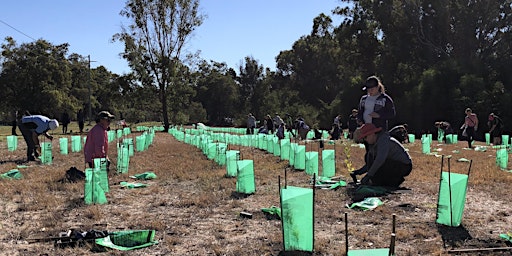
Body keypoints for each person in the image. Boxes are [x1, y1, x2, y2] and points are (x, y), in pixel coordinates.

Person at [350, 123, 413, 188]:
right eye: (364, 138)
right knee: (369, 158)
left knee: (378, 173)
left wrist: (369, 175)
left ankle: (395, 180)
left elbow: (379, 160)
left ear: (372, 134)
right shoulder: (374, 144)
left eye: (366, 137)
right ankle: (389, 181)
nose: (365, 140)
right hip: (393, 163)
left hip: (404, 165)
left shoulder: (383, 141)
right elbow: (371, 164)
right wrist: (358, 172)